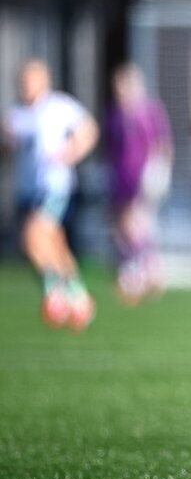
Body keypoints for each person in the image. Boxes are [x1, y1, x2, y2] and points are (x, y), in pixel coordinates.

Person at [2, 59, 99, 331]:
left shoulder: (58, 106)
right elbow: (8, 152)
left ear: (43, 80)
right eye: (22, 80)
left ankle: (53, 293)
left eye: (31, 80)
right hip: (26, 188)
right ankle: (78, 296)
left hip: (53, 186)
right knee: (53, 244)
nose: (25, 85)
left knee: (33, 237)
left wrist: (70, 153)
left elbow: (89, 130)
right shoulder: (15, 114)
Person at [104, 63, 173, 303]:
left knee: (135, 223)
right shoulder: (114, 113)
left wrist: (160, 172)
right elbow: (112, 148)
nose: (120, 89)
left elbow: (162, 144)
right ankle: (146, 267)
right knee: (123, 225)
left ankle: (142, 269)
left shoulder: (149, 111)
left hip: (143, 176)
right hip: (121, 176)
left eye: (125, 84)